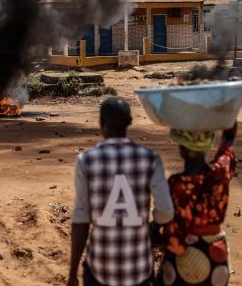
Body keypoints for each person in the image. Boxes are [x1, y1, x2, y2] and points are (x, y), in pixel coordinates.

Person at [67, 97, 174, 286]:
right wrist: (153, 226)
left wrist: (73, 273)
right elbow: (166, 211)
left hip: (100, 269)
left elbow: (81, 220)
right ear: (129, 123)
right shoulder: (150, 159)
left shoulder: (87, 160)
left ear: (101, 124)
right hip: (139, 270)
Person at [157, 123, 238, 286]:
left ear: (182, 150)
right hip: (217, 253)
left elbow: (174, 228)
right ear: (207, 146)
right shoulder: (220, 171)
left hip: (187, 255)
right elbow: (228, 140)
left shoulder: (177, 184)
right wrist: (229, 114)